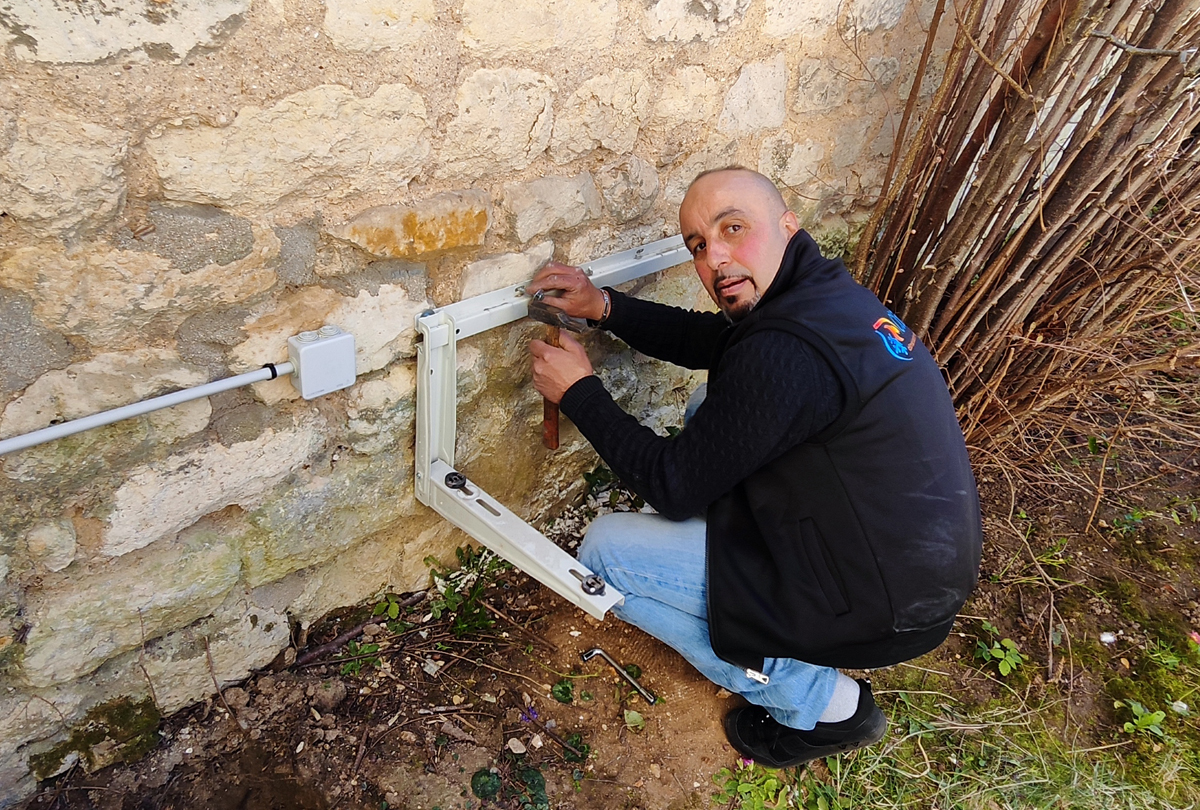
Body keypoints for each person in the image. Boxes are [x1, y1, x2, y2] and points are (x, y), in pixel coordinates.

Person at [526, 167, 982, 768]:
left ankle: (825, 706)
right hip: (901, 559)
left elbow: (672, 486)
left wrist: (580, 393)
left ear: (787, 225)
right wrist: (604, 306)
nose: (715, 257)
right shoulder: (820, 295)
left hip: (883, 606)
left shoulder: (786, 351)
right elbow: (715, 342)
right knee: (709, 405)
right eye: (698, 244)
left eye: (733, 228)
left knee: (607, 553)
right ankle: (743, 583)